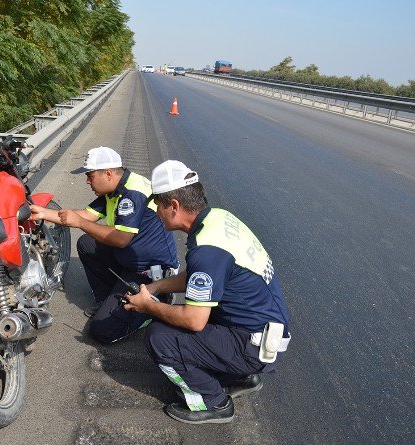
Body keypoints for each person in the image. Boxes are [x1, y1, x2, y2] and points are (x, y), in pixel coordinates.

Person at [123, 160, 291, 424]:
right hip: (267, 331)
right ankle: (240, 376)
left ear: (175, 206)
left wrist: (148, 305)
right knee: (190, 310)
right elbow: (205, 278)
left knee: (160, 336)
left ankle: (214, 402)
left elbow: (193, 320)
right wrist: (155, 287)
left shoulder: (207, 250)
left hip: (253, 345)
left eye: (158, 204)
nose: (155, 211)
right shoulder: (219, 219)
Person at [29, 146, 179, 343]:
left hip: (149, 274)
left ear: (107, 173)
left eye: (90, 175)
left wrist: (80, 223)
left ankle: (155, 305)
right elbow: (85, 215)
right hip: (130, 260)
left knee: (102, 331)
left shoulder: (132, 193)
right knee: (87, 243)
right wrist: (42, 212)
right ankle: (107, 299)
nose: (87, 181)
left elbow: (120, 238)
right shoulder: (113, 189)